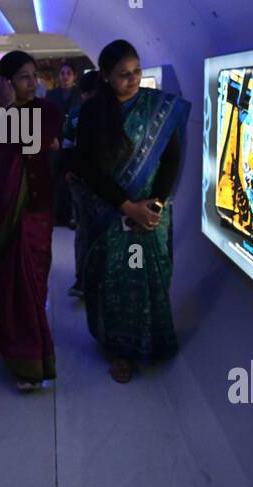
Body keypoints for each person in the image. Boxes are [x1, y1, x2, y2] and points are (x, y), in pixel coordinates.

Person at [74, 40, 190, 384]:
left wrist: (154, 204)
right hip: (111, 212)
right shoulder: (94, 113)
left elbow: (172, 158)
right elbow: (87, 168)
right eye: (123, 74)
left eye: (137, 71)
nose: (133, 78)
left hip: (152, 211)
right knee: (117, 282)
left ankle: (153, 340)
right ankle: (120, 350)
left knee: (148, 278)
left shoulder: (159, 107)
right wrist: (127, 207)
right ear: (107, 76)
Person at [0, 50, 64, 391]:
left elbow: (31, 148)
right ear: (5, 82)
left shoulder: (47, 112)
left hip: (36, 211)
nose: (32, 81)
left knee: (35, 282)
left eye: (33, 74)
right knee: (7, 286)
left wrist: (6, 112)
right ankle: (19, 357)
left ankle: (36, 351)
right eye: (23, 76)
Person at [64, 69, 104, 297]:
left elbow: (67, 147)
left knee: (84, 229)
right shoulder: (112, 112)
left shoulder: (77, 113)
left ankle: (83, 279)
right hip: (95, 181)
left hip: (81, 180)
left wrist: (69, 171)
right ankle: (90, 279)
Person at [46, 61, 80, 228]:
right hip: (56, 141)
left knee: (73, 178)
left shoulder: (80, 94)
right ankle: (57, 215)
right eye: (62, 73)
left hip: (75, 143)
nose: (65, 76)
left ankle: (73, 216)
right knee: (56, 178)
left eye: (68, 73)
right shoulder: (51, 95)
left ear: (74, 76)